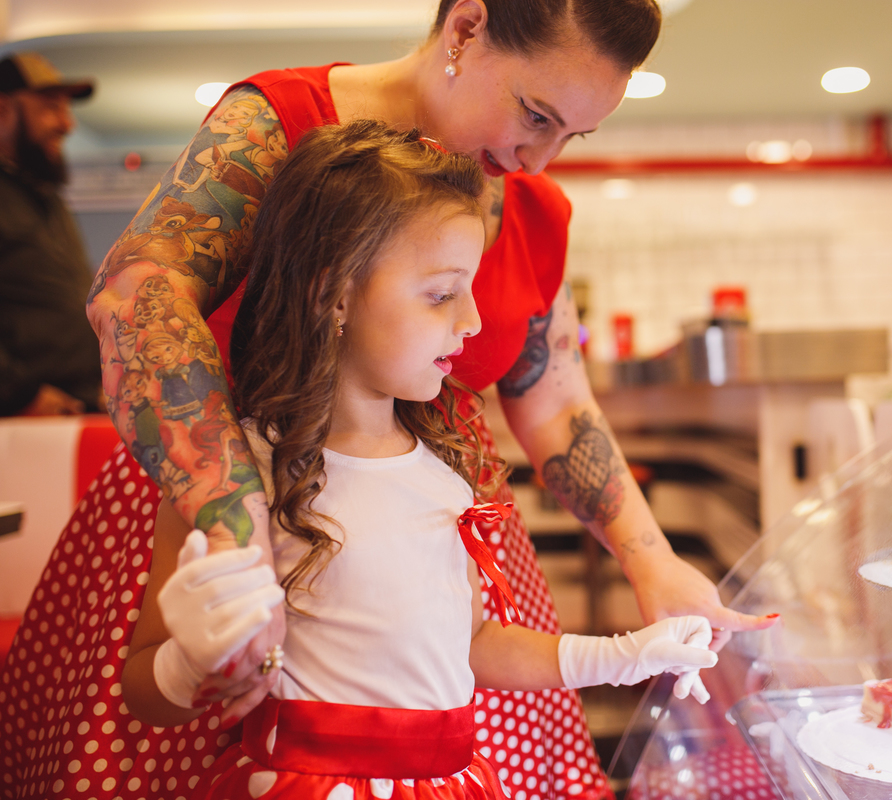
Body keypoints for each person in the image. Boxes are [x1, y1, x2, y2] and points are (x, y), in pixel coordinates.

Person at [1, 2, 776, 798]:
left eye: (570, 136)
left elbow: (555, 396)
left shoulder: (532, 212)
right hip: (222, 510)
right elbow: (142, 292)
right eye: (535, 113)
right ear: (467, 29)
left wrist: (651, 562)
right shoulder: (277, 125)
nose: (539, 158)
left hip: (425, 549)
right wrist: (238, 529)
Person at [122, 120, 719, 799]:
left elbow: (477, 645)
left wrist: (622, 657)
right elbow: (143, 693)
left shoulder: (447, 472)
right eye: (441, 294)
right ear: (334, 294)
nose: (470, 321)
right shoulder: (233, 475)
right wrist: (186, 661)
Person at [0, 51, 102, 415]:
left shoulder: (43, 195)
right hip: (19, 420)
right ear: (3, 110)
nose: (67, 124)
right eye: (49, 106)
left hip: (71, 407)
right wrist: (18, 395)